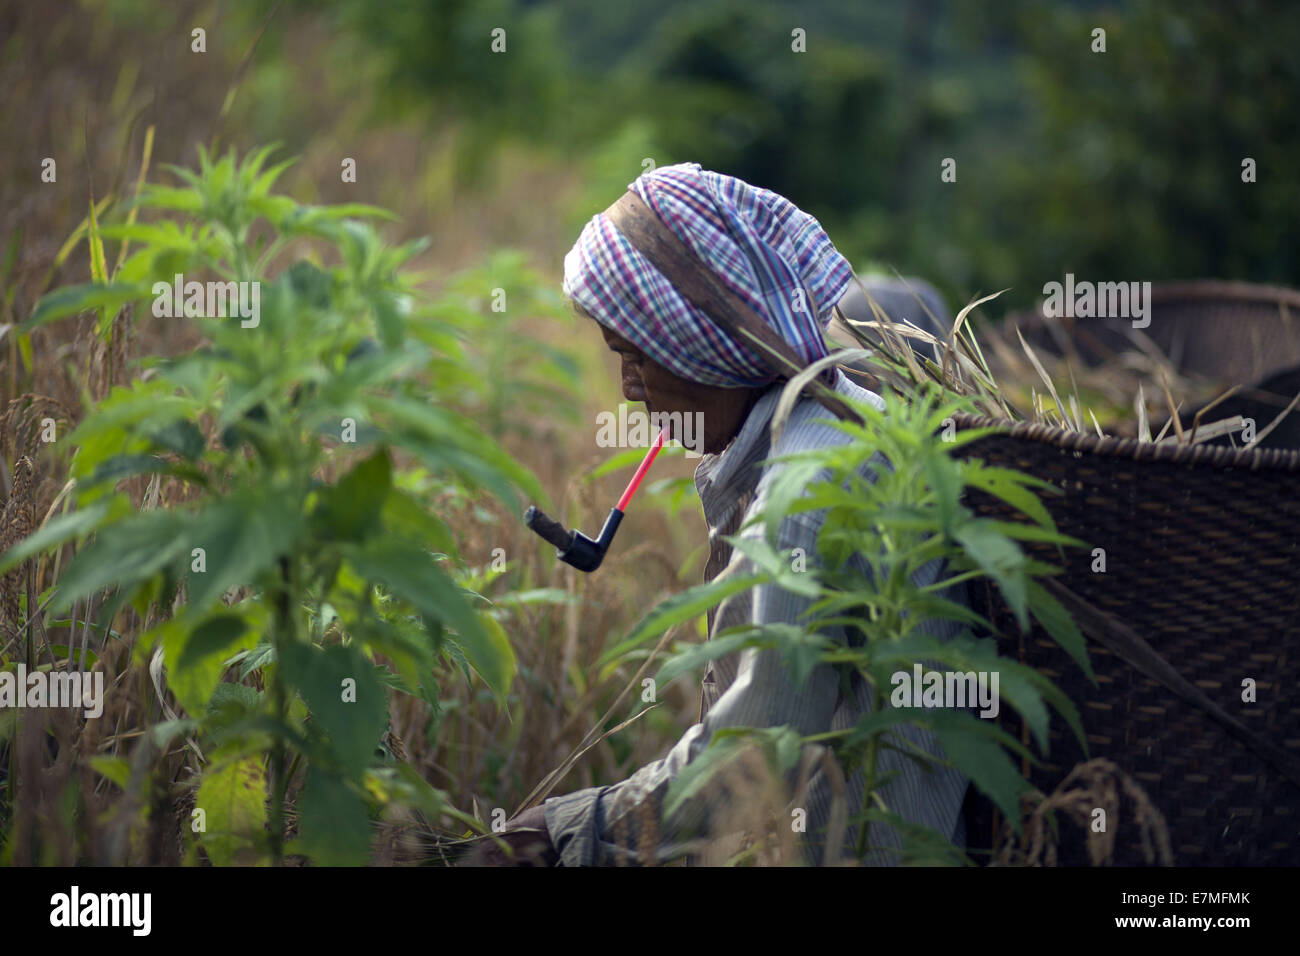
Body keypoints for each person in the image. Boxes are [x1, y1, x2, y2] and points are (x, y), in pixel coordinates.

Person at [469, 162, 969, 867]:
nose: (629, 390)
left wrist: (570, 829)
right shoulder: (854, 421)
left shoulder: (799, 499)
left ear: (698, 341)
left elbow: (750, 760)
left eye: (634, 355)